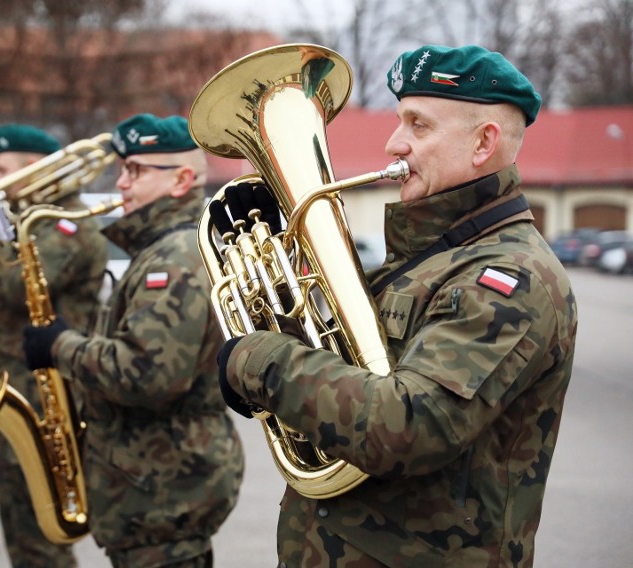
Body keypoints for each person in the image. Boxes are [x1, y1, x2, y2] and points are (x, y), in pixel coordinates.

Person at [215, 45, 578, 567]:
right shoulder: (433, 254)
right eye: (398, 120)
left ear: (483, 143)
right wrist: (275, 262)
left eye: (419, 125)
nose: (393, 142)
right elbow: (347, 369)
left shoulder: (509, 278)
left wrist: (257, 361)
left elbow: (409, 425)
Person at [22, 113, 245, 567]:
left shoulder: (176, 258)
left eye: (137, 170)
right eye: (124, 169)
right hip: (153, 485)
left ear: (182, 179)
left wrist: (60, 345)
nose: (121, 182)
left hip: (163, 489)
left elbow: (149, 374)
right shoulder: (165, 248)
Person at [0, 124, 108, 567]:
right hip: (15, 381)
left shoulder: (64, 225)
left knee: (42, 526)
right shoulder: (27, 219)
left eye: (3, 169)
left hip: (48, 391)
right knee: (17, 519)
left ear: (32, 168)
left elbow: (12, 286)